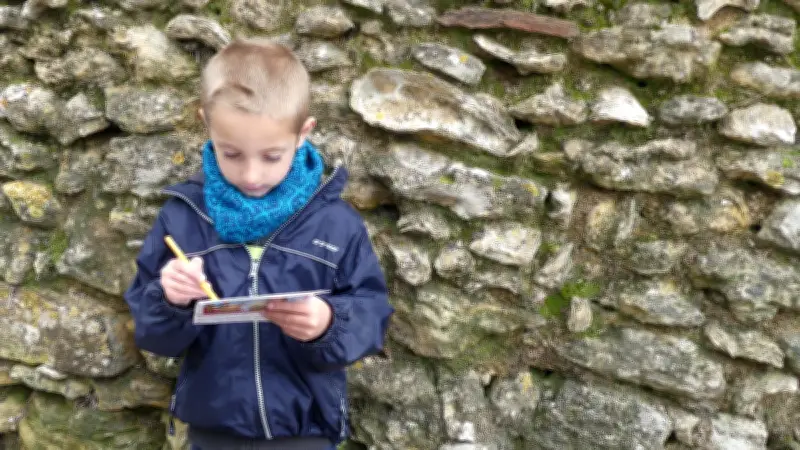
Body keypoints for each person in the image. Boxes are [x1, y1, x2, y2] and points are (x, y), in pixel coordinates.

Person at [123, 38, 394, 450]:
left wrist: (328, 322)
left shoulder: (336, 222)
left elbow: (373, 314)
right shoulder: (182, 218)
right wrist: (169, 299)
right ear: (206, 125)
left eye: (271, 156)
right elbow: (152, 335)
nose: (251, 175)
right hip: (214, 429)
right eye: (231, 153)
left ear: (303, 133)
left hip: (306, 429)